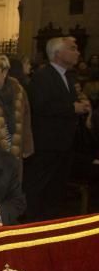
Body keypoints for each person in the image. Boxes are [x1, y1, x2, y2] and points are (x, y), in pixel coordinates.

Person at [25, 37, 90, 220]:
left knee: (56, 187)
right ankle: (33, 224)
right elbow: (40, 105)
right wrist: (71, 108)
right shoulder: (43, 76)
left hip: (64, 142)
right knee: (39, 186)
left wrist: (81, 104)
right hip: (47, 143)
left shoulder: (68, 76)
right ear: (58, 53)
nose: (77, 52)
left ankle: (50, 222)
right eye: (72, 48)